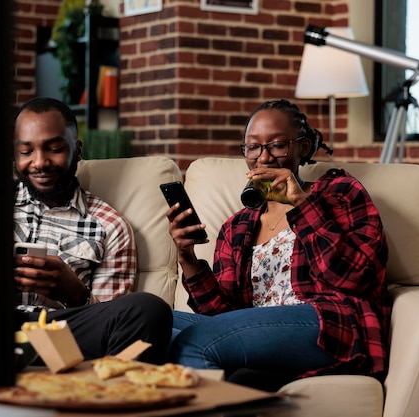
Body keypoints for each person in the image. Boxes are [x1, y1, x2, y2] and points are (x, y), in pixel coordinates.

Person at [166, 98, 392, 390]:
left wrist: (301, 204)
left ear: (303, 147)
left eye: (277, 145)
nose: (264, 158)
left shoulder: (339, 193)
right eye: (253, 146)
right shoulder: (237, 227)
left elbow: (353, 278)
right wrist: (187, 257)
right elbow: (222, 318)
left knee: (197, 342)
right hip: (261, 331)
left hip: (329, 324)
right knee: (153, 323)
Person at [13, 97, 172, 363]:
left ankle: (102, 393)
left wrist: (76, 294)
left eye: (53, 148)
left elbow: (112, 318)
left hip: (60, 333)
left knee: (148, 310)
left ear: (77, 150)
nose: (39, 162)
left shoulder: (110, 225)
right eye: (26, 151)